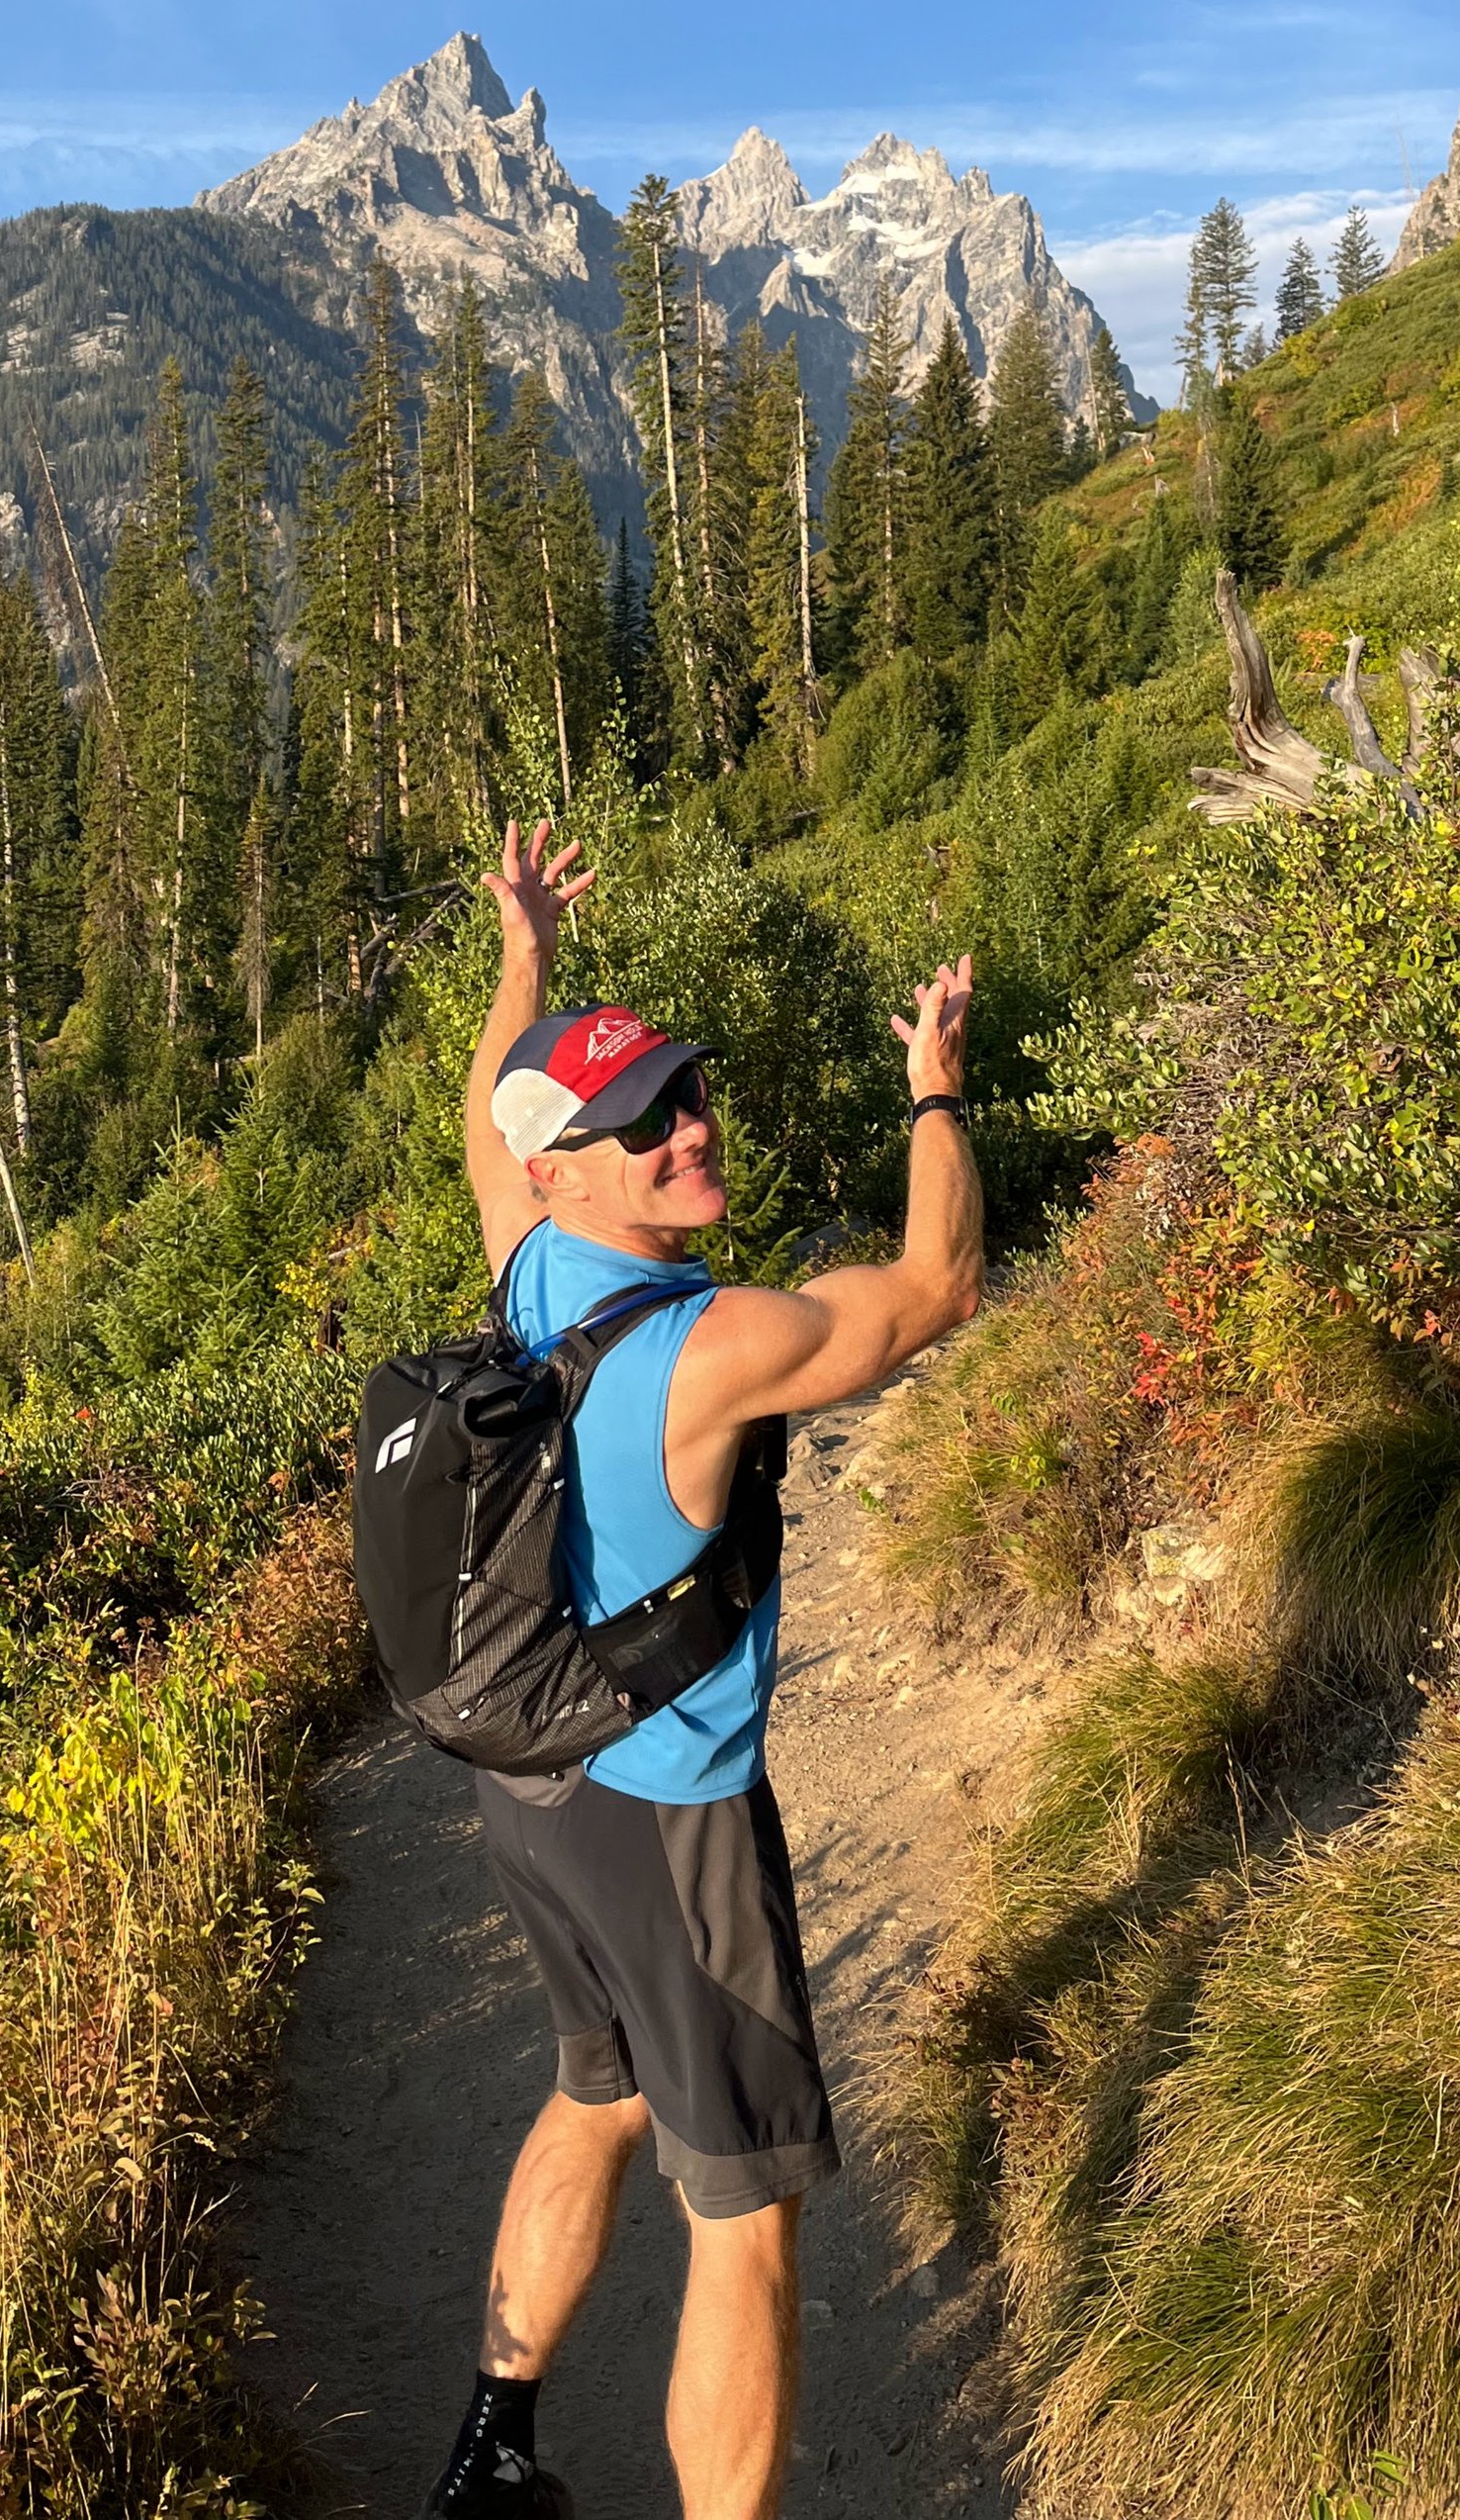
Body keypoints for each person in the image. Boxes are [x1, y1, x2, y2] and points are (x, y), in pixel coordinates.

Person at [419, 818, 983, 2520]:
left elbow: (482, 1120)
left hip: (536, 1792)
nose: (687, 1131)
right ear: (567, 1168)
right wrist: (937, 1090)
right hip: (672, 1822)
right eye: (637, 1123)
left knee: (594, 2095)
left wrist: (523, 959)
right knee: (741, 2213)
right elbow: (939, 1285)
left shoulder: (530, 1270)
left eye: (683, 1097)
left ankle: (492, 2445)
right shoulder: (707, 1344)